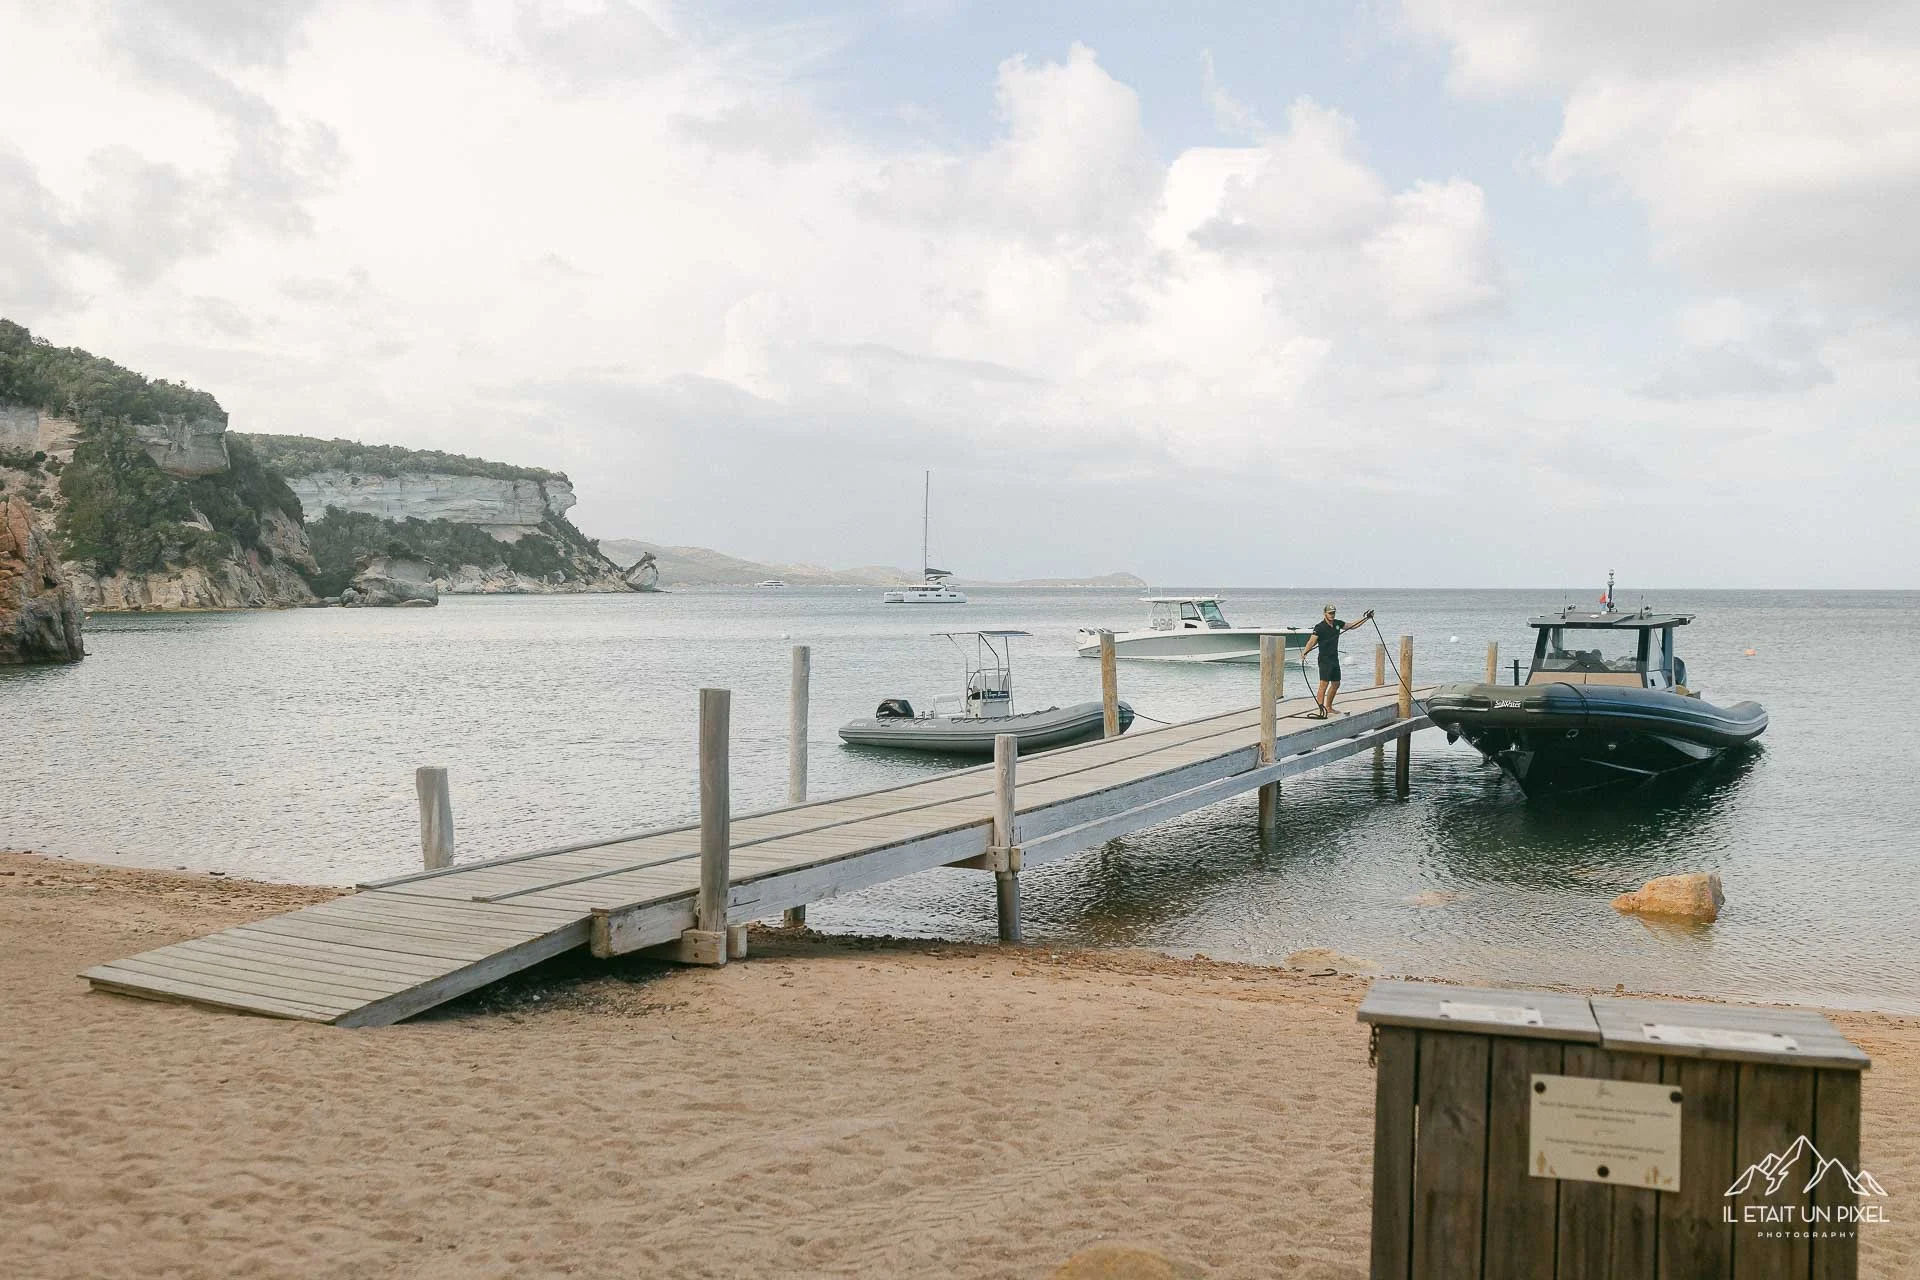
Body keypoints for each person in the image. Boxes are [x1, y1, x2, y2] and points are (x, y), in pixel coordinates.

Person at [1299, 604, 1372, 718]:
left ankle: (1329, 707)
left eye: (1333, 613)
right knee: (1323, 684)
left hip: (1334, 659)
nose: (1332, 615)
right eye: (1330, 613)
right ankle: (1321, 710)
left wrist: (1366, 618)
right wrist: (1304, 652)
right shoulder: (1319, 627)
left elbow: (1351, 626)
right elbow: (1311, 641)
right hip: (1324, 659)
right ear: (1325, 614)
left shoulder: (1337, 624)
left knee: (1336, 684)